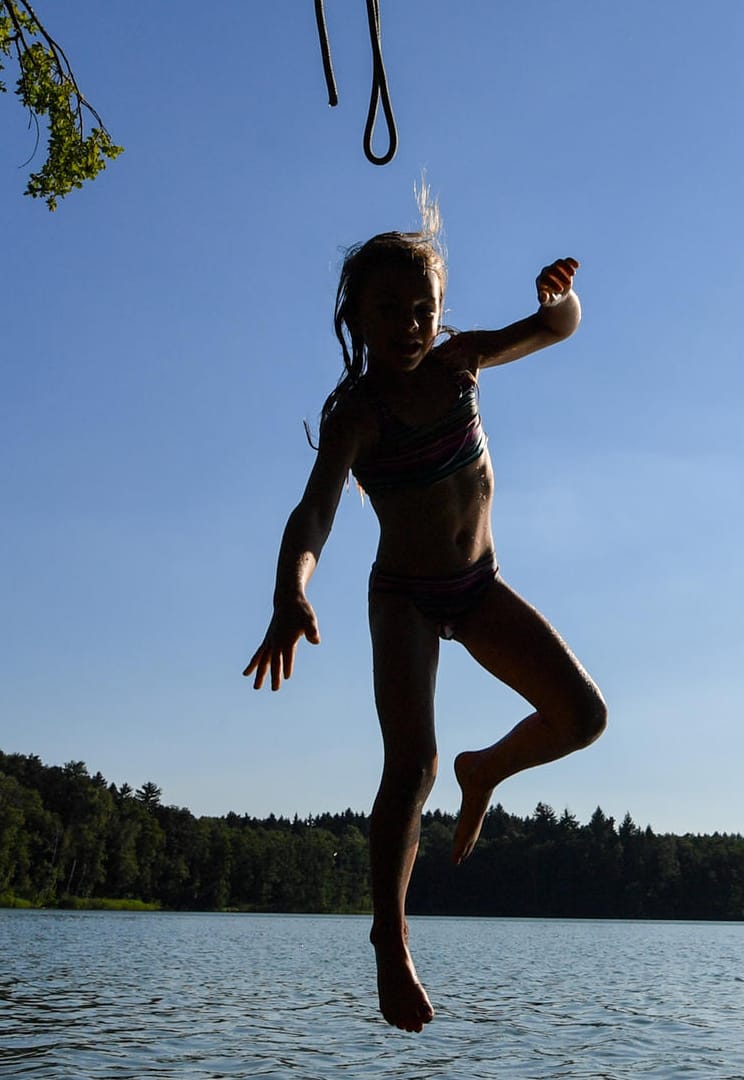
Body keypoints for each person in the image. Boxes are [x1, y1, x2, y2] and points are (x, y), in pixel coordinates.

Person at [243, 204, 606, 1033]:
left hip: (478, 585)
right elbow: (314, 515)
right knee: (410, 767)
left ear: (440, 311)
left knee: (584, 717)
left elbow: (559, 331)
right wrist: (290, 591)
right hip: (404, 595)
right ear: (355, 318)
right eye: (387, 312)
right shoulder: (357, 417)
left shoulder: (463, 363)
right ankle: (390, 944)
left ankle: (488, 773)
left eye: (422, 310)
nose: (408, 326)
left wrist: (558, 303)